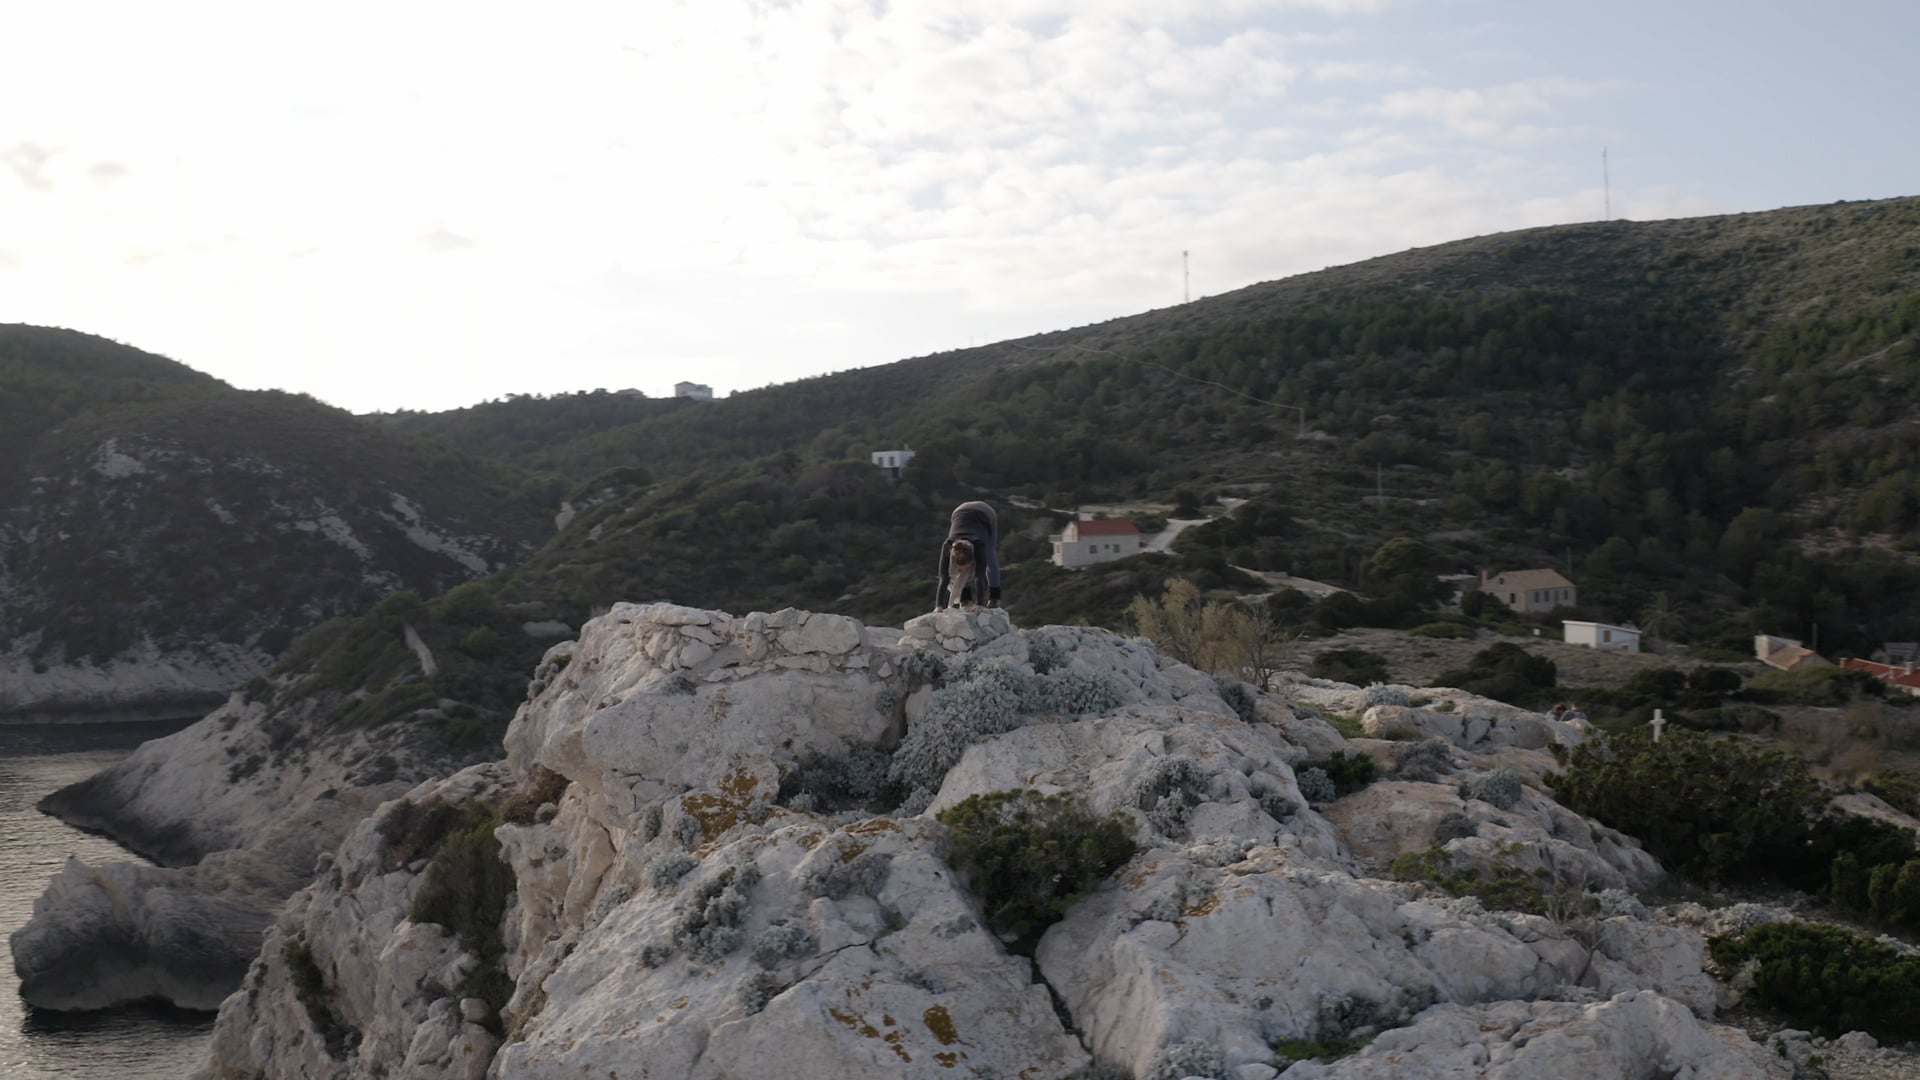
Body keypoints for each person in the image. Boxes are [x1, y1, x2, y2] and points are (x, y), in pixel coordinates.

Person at [935, 500, 1001, 612]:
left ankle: (995, 597)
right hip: (959, 512)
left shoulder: (979, 545)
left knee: (989, 557)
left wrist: (980, 604)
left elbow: (979, 576)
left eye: (966, 567)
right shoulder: (947, 546)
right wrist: (939, 606)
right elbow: (944, 578)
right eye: (961, 567)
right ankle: (965, 599)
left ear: (973, 559)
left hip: (985, 513)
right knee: (959, 574)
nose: (964, 570)